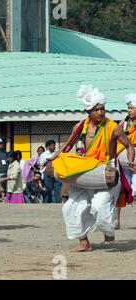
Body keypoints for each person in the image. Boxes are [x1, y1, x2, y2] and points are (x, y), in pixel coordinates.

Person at [43, 84, 135, 252]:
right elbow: (68, 144)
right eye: (97, 109)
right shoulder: (80, 126)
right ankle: (84, 242)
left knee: (99, 206)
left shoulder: (113, 127)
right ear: (88, 112)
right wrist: (54, 157)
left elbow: (129, 145)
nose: (101, 112)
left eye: (103, 108)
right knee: (70, 207)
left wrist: (130, 161)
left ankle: (108, 230)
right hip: (86, 170)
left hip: (108, 171)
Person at [115, 93, 136, 230]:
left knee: (134, 192)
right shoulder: (122, 124)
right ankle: (116, 220)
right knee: (118, 190)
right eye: (128, 108)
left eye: (132, 108)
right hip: (121, 164)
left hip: (134, 165)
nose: (129, 110)